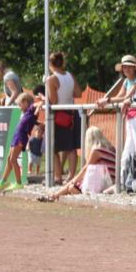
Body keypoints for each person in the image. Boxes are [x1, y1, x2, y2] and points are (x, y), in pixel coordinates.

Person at [38, 126, 117, 202]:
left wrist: (73, 181)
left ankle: (55, 195)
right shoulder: (111, 149)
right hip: (111, 180)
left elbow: (85, 169)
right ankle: (56, 195)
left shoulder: (96, 150)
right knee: (72, 186)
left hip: (104, 181)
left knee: (72, 187)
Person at [97, 54, 136, 167]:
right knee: (128, 150)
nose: (127, 69)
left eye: (130, 66)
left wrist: (107, 100)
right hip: (130, 117)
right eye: (125, 67)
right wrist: (108, 101)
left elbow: (126, 97)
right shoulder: (126, 81)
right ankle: (125, 179)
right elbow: (121, 96)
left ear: (135, 68)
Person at [46, 51, 83, 185]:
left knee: (53, 148)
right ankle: (71, 176)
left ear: (50, 64)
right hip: (72, 113)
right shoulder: (70, 75)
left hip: (59, 114)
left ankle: (58, 176)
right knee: (71, 147)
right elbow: (78, 93)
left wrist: (44, 98)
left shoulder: (51, 79)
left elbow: (53, 100)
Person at [0, 92, 43, 194]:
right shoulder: (26, 113)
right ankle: (3, 181)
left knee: (13, 159)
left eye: (20, 104)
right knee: (9, 159)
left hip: (21, 137)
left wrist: (38, 105)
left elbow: (38, 104)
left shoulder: (31, 110)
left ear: (26, 102)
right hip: (16, 136)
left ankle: (18, 182)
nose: (19, 106)